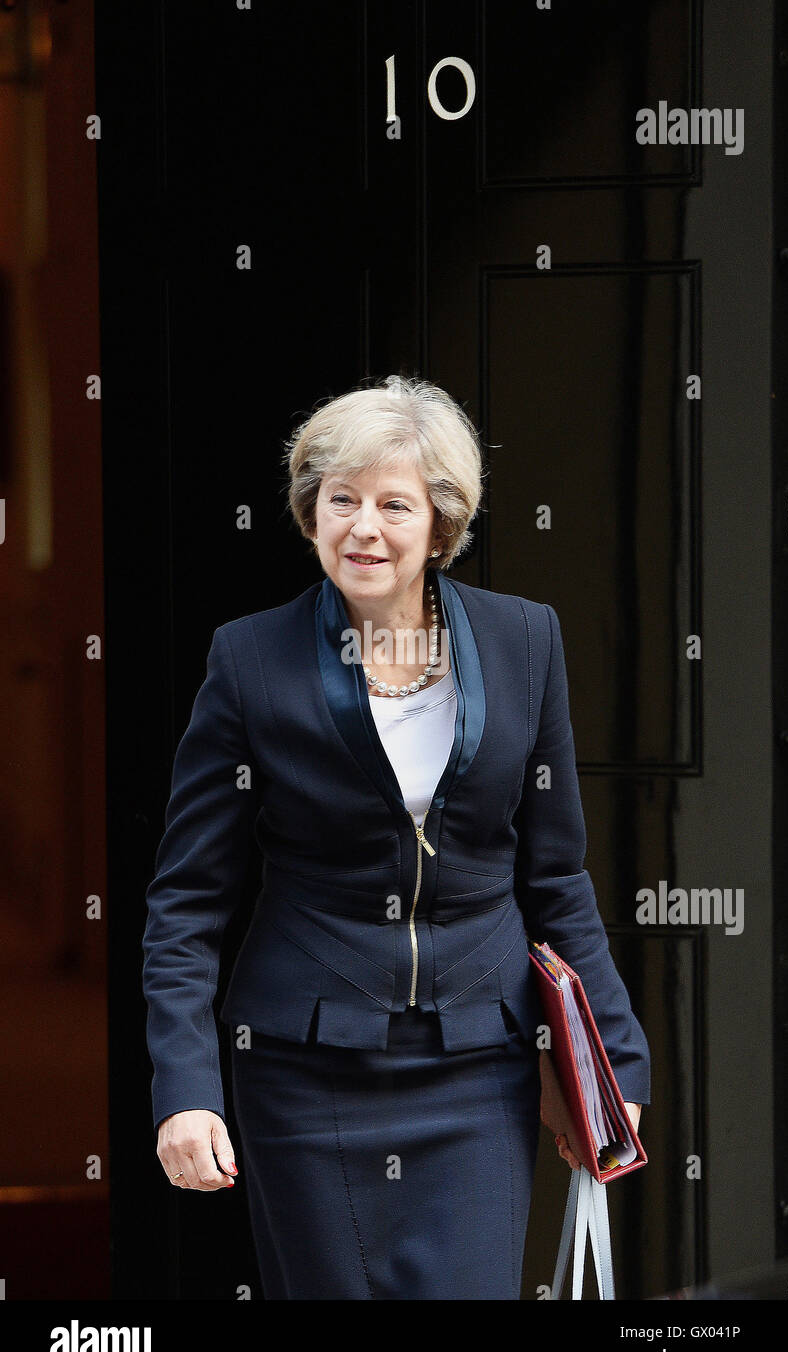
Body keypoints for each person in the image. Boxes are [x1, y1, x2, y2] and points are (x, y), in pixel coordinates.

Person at [142, 374, 649, 1300]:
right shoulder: (250, 658)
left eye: (392, 505)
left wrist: (608, 1057)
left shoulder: (525, 643)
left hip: (476, 1069)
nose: (362, 528)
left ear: (441, 524)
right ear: (310, 513)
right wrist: (184, 1085)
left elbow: (556, 876)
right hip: (305, 1073)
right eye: (341, 500)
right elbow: (188, 897)